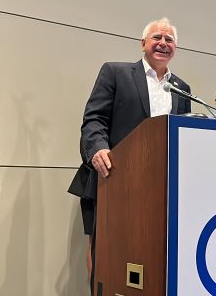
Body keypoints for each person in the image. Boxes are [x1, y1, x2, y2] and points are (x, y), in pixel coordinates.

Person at [67, 17, 191, 285]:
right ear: (143, 43)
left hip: (160, 189)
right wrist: (99, 149)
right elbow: (94, 120)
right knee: (108, 256)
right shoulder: (115, 72)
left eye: (169, 40)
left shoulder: (182, 88)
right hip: (113, 179)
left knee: (151, 257)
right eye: (157, 37)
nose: (163, 43)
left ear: (176, 48)